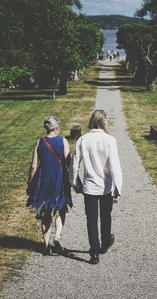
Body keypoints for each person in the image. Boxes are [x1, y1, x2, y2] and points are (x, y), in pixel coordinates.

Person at [69, 110, 122, 264]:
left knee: (91, 219)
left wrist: (75, 183)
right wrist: (117, 187)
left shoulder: (83, 140)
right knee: (106, 217)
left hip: (90, 187)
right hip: (105, 187)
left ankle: (94, 254)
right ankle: (105, 243)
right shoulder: (109, 140)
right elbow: (114, 166)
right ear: (102, 122)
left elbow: (74, 165)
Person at [27, 116, 72, 255]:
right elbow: (68, 163)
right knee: (60, 209)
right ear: (57, 128)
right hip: (59, 179)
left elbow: (34, 166)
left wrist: (30, 182)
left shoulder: (39, 142)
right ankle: (57, 237)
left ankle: (46, 246)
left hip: (44, 180)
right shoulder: (63, 141)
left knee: (46, 211)